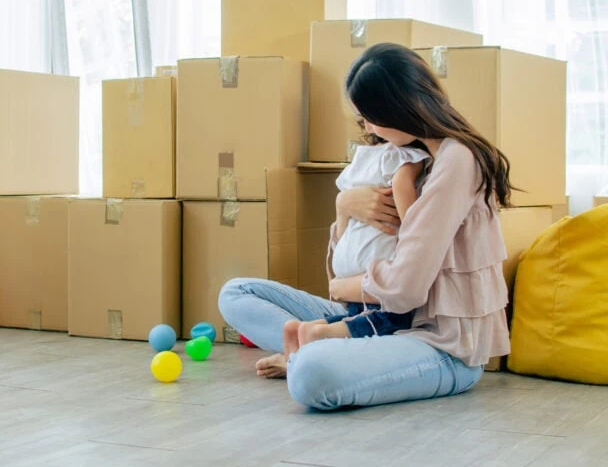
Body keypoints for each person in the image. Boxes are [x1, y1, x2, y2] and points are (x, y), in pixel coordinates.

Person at [218, 42, 513, 409]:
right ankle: (325, 345)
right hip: (370, 314)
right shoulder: (408, 156)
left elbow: (405, 289)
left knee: (312, 376)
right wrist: (343, 207)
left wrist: (341, 287)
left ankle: (314, 351)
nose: (369, 127)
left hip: (439, 346)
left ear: (401, 108)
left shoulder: (458, 160)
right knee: (235, 293)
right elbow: (352, 255)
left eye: (372, 116)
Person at [282, 140, 430, 359]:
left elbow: (344, 214)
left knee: (358, 316)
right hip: (377, 263)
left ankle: (303, 331)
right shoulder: (406, 155)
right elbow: (402, 184)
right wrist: (415, 228)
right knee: (391, 320)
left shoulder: (362, 157)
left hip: (348, 260)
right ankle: (320, 332)